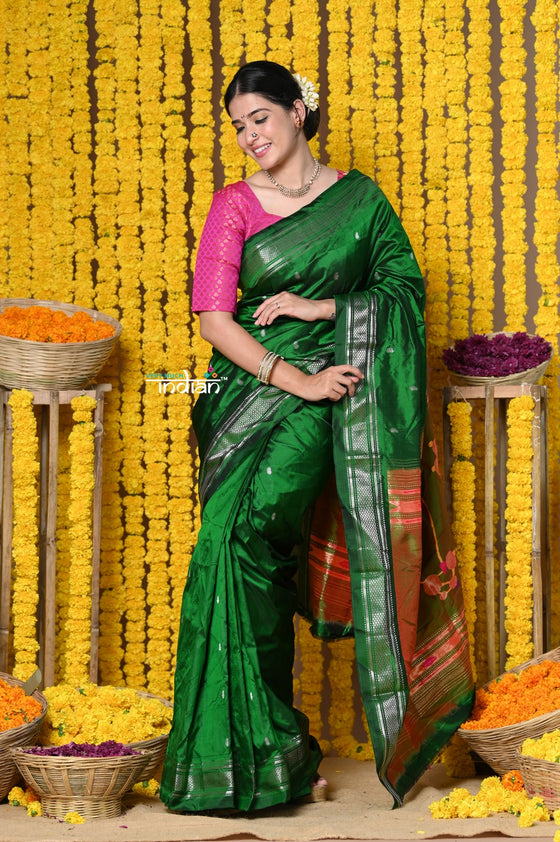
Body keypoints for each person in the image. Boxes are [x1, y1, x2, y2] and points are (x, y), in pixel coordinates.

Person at [160, 60, 474, 813]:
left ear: (298, 112)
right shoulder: (233, 205)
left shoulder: (360, 201)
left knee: (260, 531)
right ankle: (262, 754)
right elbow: (213, 320)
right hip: (246, 394)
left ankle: (268, 750)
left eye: (260, 118)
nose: (250, 136)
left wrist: (319, 309)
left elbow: (404, 291)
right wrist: (291, 377)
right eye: (238, 126)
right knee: (231, 550)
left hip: (323, 392)